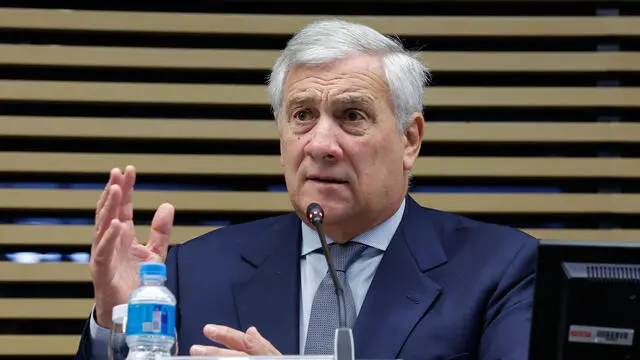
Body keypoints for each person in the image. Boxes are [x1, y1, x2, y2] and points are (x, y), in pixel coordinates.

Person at [75, 19, 537, 360]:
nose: (320, 144)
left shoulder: (501, 270)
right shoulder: (191, 273)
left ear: (410, 139)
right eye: (302, 116)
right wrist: (115, 322)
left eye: (352, 116)